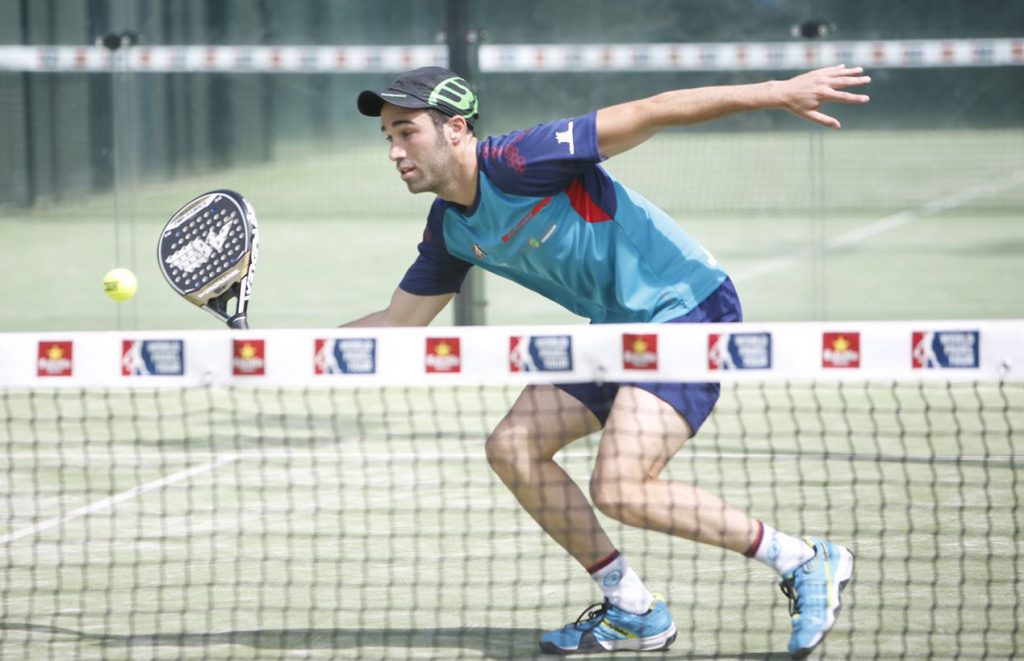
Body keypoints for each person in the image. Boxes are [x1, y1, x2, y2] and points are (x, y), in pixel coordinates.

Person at [351, 64, 869, 657]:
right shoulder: (449, 228)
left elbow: (653, 110)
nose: (394, 150)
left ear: (456, 129)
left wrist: (775, 93)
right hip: (615, 333)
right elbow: (398, 324)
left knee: (622, 487)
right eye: (388, 136)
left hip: (684, 310)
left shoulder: (525, 159)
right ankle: (633, 609)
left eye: (406, 131)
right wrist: (260, 350)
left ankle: (803, 559)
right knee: (513, 447)